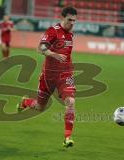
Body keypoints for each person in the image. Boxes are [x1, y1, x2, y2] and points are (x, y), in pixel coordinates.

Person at [17, 6, 77, 148]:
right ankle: (25, 102)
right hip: (48, 76)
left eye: (74, 21)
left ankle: (67, 137)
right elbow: (40, 48)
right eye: (70, 20)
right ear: (62, 18)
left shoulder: (70, 35)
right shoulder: (53, 31)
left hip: (65, 74)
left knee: (71, 102)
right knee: (39, 107)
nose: (72, 23)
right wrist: (54, 54)